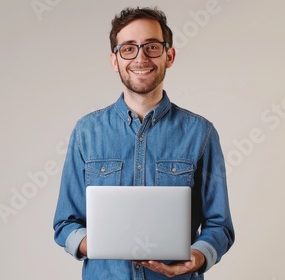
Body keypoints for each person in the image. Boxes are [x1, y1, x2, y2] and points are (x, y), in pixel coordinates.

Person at [53, 6, 235, 280]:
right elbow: (65, 223)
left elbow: (220, 226)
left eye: (152, 46)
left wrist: (196, 258)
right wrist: (101, 244)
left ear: (169, 56)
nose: (140, 57)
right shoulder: (86, 132)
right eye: (128, 48)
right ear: (115, 60)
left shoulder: (201, 133)